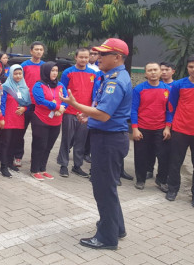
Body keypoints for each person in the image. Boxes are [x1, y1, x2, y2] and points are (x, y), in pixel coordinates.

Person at [61, 38, 132, 250]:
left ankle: (106, 238)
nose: (97, 57)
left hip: (108, 141)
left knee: (103, 189)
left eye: (103, 54)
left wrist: (75, 105)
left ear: (117, 57)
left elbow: (103, 114)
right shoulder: (112, 76)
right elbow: (102, 113)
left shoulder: (115, 81)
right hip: (108, 138)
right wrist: (87, 116)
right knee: (108, 187)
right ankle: (116, 228)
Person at [57, 48, 97, 178]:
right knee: (66, 139)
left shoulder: (93, 74)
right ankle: (63, 165)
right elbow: (62, 92)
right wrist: (62, 106)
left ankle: (77, 166)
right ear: (76, 57)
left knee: (81, 140)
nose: (84, 59)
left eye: (86, 57)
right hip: (69, 111)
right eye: (81, 57)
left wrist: (91, 111)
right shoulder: (68, 73)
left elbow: (95, 94)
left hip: (85, 113)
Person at [131, 63, 171, 191]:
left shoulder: (167, 89)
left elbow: (169, 110)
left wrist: (167, 128)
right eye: (150, 70)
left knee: (164, 156)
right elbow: (133, 110)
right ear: (145, 73)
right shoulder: (139, 89)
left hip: (161, 129)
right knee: (141, 155)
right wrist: (135, 129)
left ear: (160, 72)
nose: (153, 72)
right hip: (142, 128)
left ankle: (161, 180)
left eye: (155, 70)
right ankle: (140, 179)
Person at [30, 62, 68, 180]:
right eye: (52, 70)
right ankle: (34, 169)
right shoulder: (39, 85)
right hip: (41, 120)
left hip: (56, 121)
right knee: (39, 145)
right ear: (46, 71)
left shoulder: (60, 85)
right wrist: (56, 107)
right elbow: (40, 101)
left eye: (56, 70)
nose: (55, 73)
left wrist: (62, 109)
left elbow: (66, 99)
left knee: (48, 146)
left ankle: (43, 169)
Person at [166, 55, 194, 205]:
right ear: (187, 68)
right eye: (191, 67)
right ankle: (172, 189)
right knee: (175, 161)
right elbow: (171, 106)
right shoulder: (179, 85)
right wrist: (169, 126)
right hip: (180, 129)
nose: (193, 70)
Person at [16, 42, 45, 167]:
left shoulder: (45, 66)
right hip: (26, 104)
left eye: (41, 49)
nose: (39, 52)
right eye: (36, 49)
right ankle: (18, 156)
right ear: (31, 51)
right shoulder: (24, 66)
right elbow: (18, 84)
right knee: (20, 132)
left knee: (38, 134)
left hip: (40, 105)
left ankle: (35, 158)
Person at [0, 65, 31, 178]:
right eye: (15, 73)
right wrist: (1, 118)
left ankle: (9, 163)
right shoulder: (5, 87)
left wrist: (24, 108)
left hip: (19, 119)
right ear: (11, 74)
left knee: (14, 142)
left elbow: (27, 103)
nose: (18, 76)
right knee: (5, 143)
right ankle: (3, 166)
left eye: (20, 73)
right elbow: (1, 104)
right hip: (8, 119)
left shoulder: (24, 87)